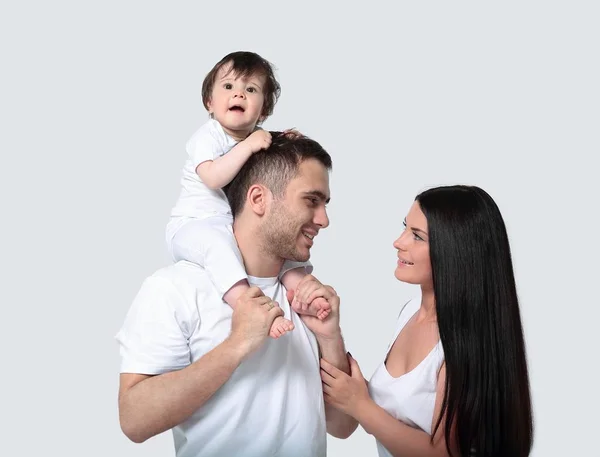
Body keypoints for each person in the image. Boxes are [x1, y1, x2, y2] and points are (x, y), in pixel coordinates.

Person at [116, 133, 350, 457]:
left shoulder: (308, 297)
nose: (324, 220)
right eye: (311, 201)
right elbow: (134, 420)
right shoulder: (174, 289)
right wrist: (238, 344)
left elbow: (343, 425)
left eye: (325, 204)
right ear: (258, 199)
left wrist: (330, 337)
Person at [320, 185, 534, 457]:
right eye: (405, 227)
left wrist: (361, 404)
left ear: (456, 251)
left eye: (417, 236)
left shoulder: (463, 340)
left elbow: (443, 453)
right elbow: (361, 422)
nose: (399, 242)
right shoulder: (409, 312)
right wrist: (330, 335)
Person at [166, 51, 329, 339]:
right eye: (228, 87)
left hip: (229, 225)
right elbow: (213, 176)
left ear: (263, 111)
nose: (239, 94)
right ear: (209, 102)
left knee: (283, 249)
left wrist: (283, 140)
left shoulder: (255, 137)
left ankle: (302, 291)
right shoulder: (209, 136)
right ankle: (246, 304)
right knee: (218, 246)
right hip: (194, 225)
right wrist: (252, 144)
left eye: (250, 89)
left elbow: (267, 160)